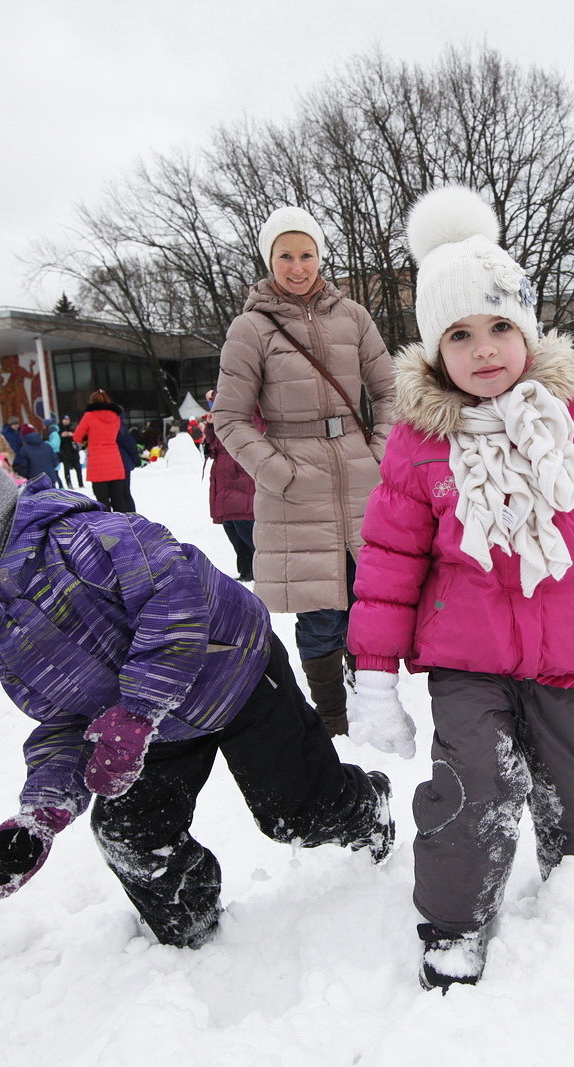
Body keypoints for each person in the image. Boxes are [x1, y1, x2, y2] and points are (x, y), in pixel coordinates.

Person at [0, 379, 395, 949]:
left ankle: (368, 808)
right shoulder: (3, 632)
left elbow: (177, 595)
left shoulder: (84, 536)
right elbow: (64, 721)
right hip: (145, 725)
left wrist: (139, 710)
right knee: (128, 831)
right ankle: (192, 933)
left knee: (293, 814)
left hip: (232, 675)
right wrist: (42, 814)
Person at [346, 187, 574, 991]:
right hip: (467, 659)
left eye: (500, 326)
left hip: (563, 651)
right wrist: (375, 675)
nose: (485, 348)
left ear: (526, 330)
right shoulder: (421, 444)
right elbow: (390, 564)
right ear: (434, 351)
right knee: (472, 787)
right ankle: (455, 924)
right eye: (459, 334)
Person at [213, 204, 397, 736]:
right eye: (286, 256)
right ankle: (333, 721)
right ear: (270, 259)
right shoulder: (250, 328)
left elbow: (389, 391)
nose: (298, 266)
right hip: (296, 479)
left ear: (321, 255)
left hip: (361, 475)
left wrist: (380, 451)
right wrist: (279, 472)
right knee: (320, 611)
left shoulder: (353, 316)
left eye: (307, 254)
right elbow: (228, 417)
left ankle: (373, 702)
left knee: (370, 596)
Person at [202, 389, 257, 582]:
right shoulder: (221, 416)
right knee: (232, 527)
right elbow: (212, 442)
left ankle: (260, 570)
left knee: (245, 525)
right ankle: (246, 571)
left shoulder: (242, 407)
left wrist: (216, 399)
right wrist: (210, 426)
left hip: (239, 475)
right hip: (224, 477)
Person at [72, 389, 136, 512]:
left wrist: (88, 437)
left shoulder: (89, 416)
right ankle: (123, 526)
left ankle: (107, 527)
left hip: (97, 464)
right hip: (115, 462)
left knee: (102, 501)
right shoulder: (115, 416)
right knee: (119, 500)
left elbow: (77, 436)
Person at [56, 414, 84, 488]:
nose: (66, 421)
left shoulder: (72, 428)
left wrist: (73, 435)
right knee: (67, 469)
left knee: (78, 469)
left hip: (74, 451)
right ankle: (69, 483)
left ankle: (81, 483)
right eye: (65, 419)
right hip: (65, 452)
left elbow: (79, 437)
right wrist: (61, 436)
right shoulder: (59, 429)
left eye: (67, 419)